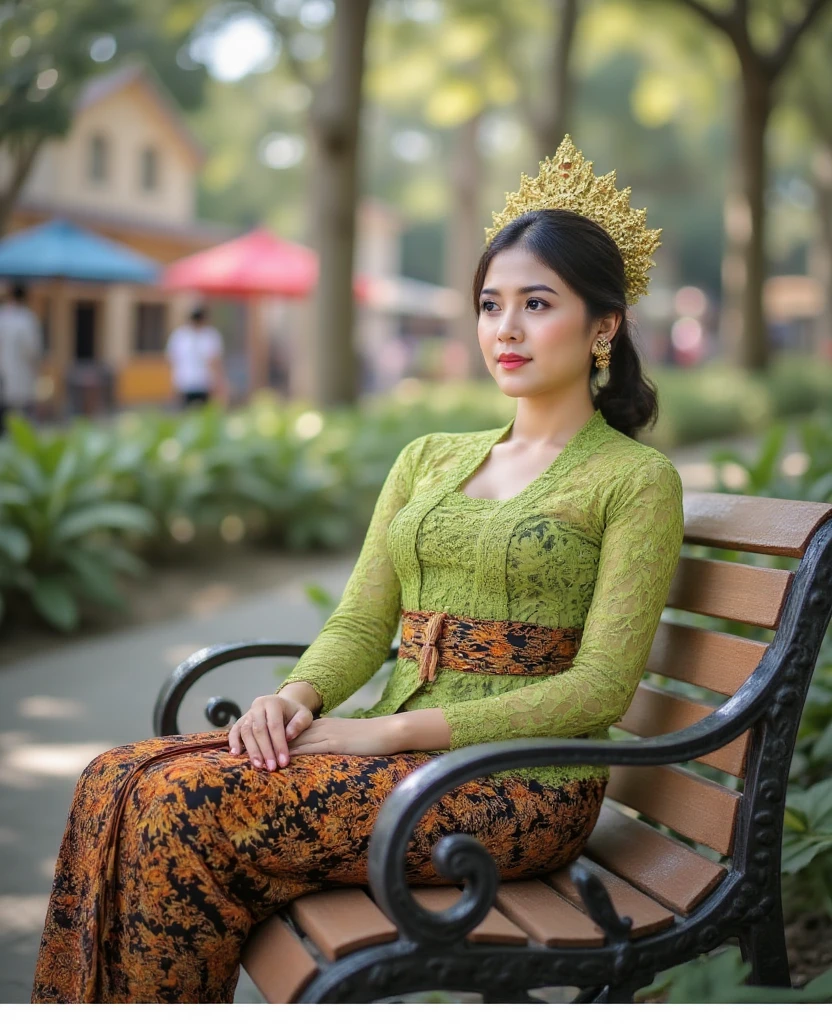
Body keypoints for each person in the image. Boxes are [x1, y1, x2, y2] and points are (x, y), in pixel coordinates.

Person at [31, 136, 685, 1003]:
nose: (508, 330)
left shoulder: (635, 480)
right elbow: (358, 624)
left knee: (185, 812)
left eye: (538, 303)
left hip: (517, 784)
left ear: (603, 325)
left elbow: (600, 688)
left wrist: (385, 732)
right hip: (396, 763)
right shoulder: (429, 457)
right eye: (491, 305)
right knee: (115, 780)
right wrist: (292, 700)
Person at [0, 281, 43, 434]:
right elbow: (33, 350)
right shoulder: (27, 319)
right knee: (22, 417)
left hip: (4, 375)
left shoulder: (3, 316)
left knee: (5, 416)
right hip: (21, 376)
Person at [165, 306, 228, 408]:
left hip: (197, 383)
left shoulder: (180, 336)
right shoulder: (208, 336)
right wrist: (220, 383)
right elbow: (215, 362)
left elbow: (172, 361)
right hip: (192, 382)